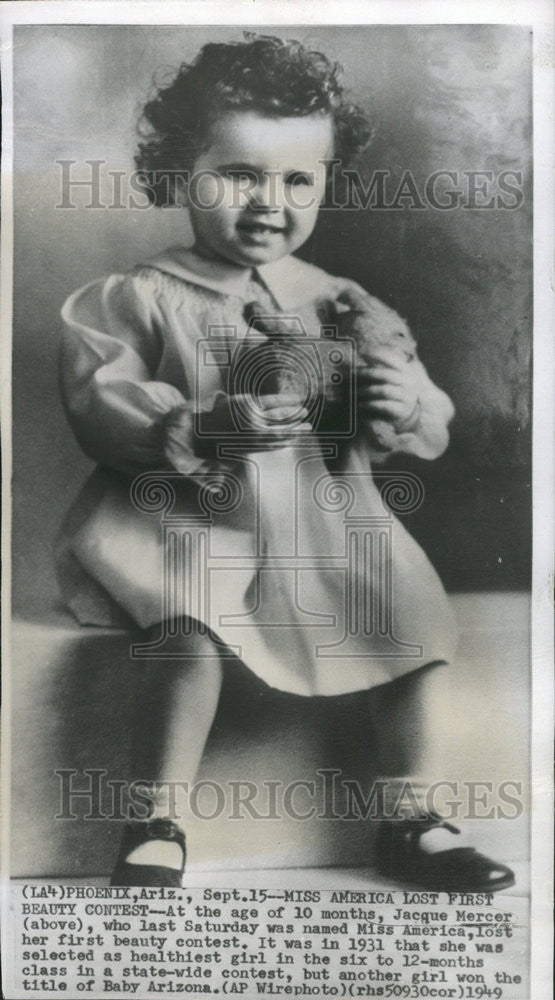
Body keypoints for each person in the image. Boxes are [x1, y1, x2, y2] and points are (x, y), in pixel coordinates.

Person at [57, 33, 514, 892]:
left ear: (327, 181)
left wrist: (401, 406)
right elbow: (99, 402)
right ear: (174, 173)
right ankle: (156, 816)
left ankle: (407, 813)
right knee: (186, 628)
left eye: (298, 179)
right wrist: (201, 422)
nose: (270, 202)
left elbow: (425, 412)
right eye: (238, 175)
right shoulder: (139, 295)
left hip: (322, 516)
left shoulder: (342, 301)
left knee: (409, 620)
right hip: (185, 516)